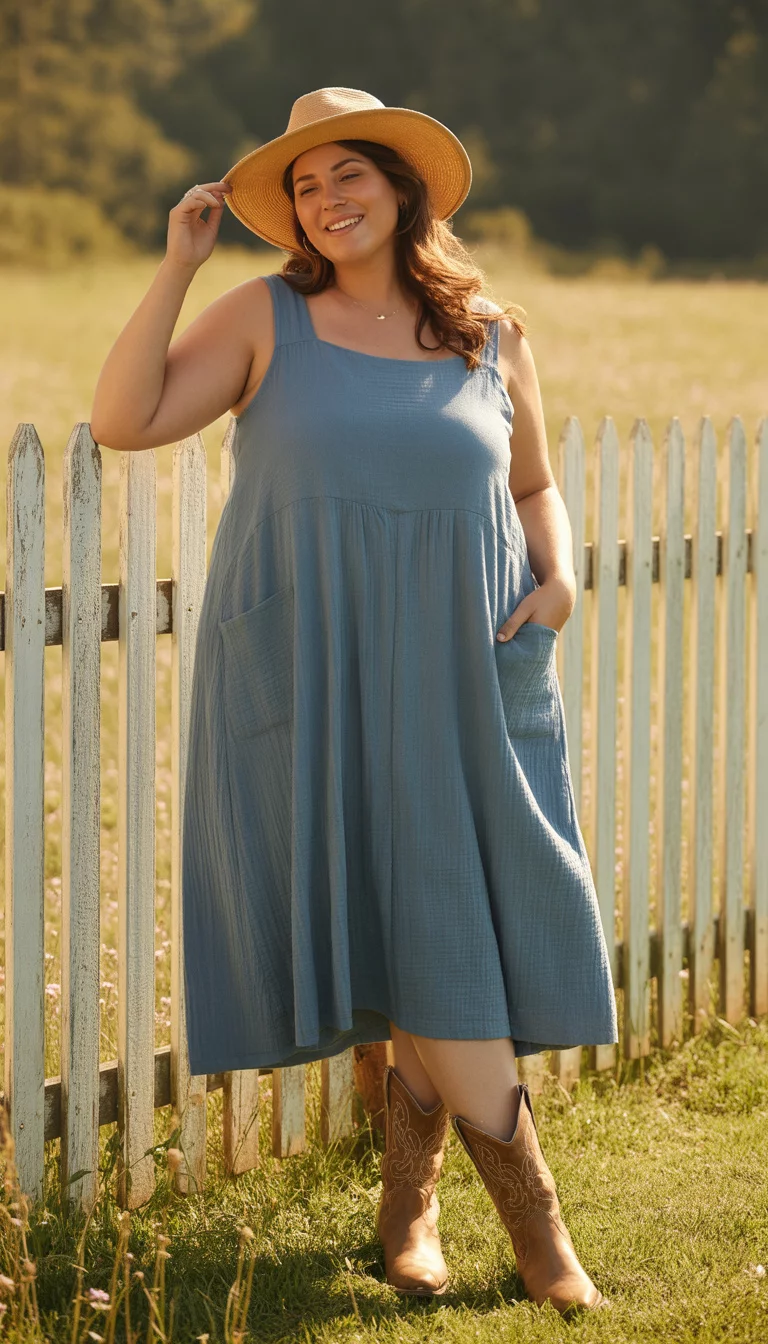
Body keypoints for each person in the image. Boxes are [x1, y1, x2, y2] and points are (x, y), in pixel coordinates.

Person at [90, 86, 617, 1316]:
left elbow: (536, 485)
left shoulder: (489, 332)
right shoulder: (264, 316)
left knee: (438, 916)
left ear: (402, 184)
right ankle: (525, 1233)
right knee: (396, 917)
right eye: (305, 187)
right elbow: (126, 419)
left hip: (463, 670)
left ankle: (417, 1207)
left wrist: (562, 576)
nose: (328, 202)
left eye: (349, 175)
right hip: (309, 670)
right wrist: (177, 266)